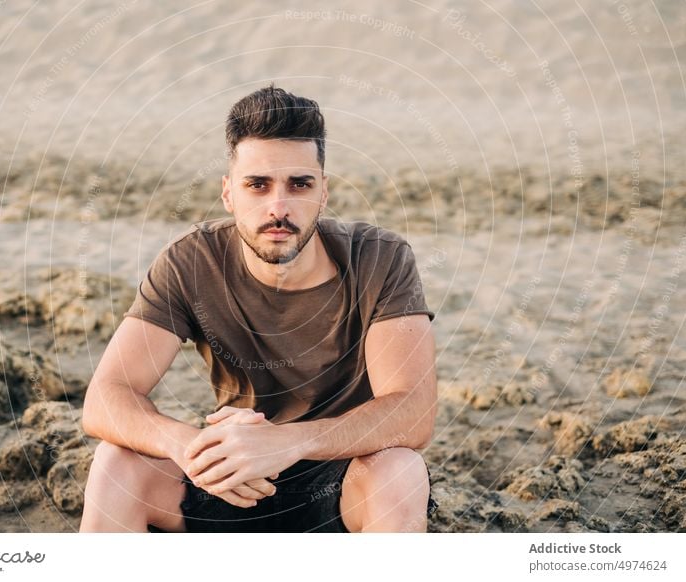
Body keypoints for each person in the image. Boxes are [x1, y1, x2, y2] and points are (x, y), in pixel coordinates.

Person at [79, 84, 439, 533]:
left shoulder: (379, 258)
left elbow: (413, 413)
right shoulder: (192, 261)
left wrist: (288, 442)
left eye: (299, 184)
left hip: (341, 483)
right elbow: (105, 398)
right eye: (258, 185)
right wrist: (189, 445)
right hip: (235, 477)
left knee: (400, 470)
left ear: (323, 193)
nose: (279, 207)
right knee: (115, 464)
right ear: (229, 194)